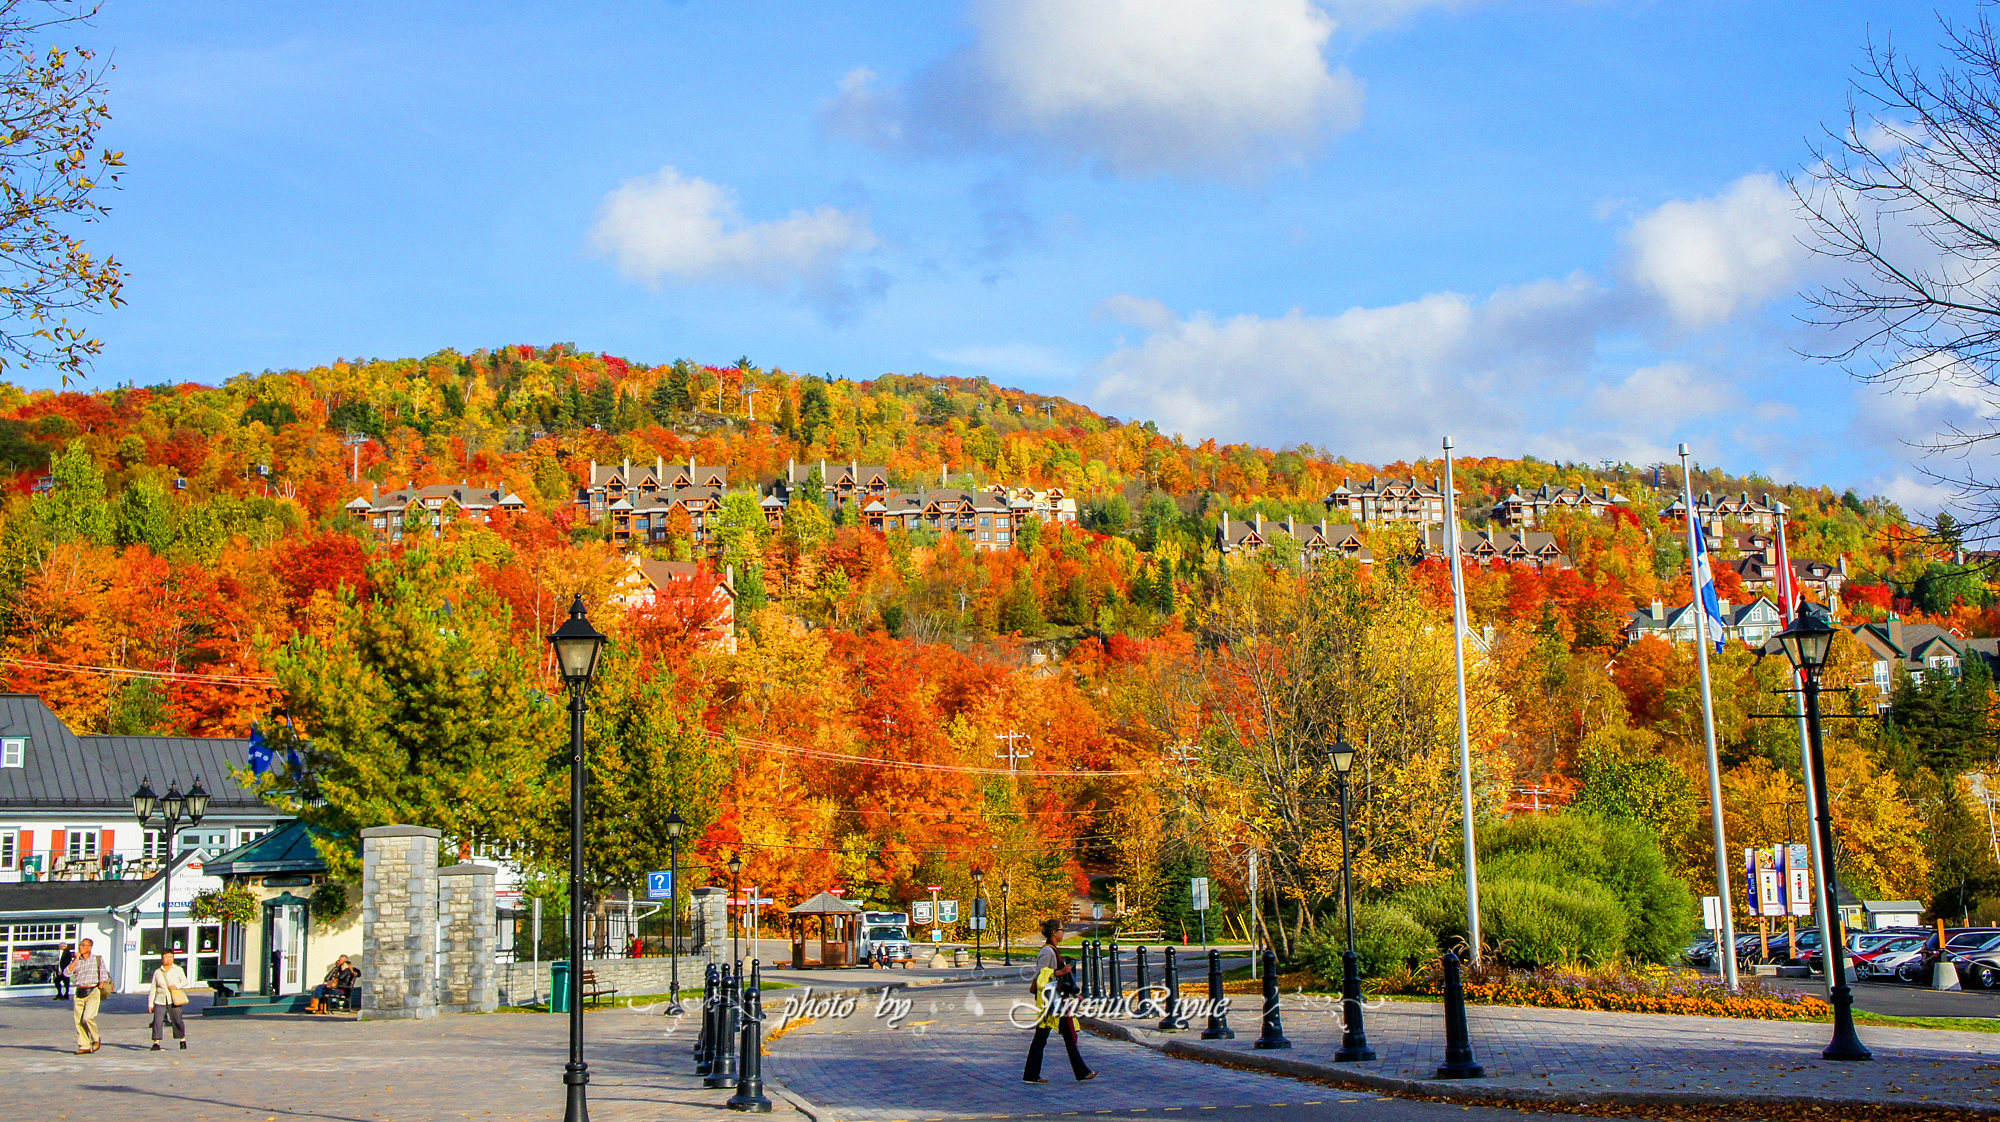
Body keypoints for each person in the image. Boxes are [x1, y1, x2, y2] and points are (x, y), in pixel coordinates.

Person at [1023, 918, 1095, 1084]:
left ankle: (1032, 1074)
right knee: (1046, 1036)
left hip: (1057, 1000)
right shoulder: (1047, 951)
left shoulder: (1053, 950)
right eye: (1062, 930)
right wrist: (1059, 972)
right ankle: (1080, 1072)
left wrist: (1072, 993)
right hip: (1051, 1003)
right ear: (1054, 932)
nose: (1064, 932)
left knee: (1056, 1036)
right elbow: (1040, 976)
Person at [64, 937, 110, 1054]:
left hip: (92, 990)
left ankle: (95, 1039)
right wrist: (75, 960)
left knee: (88, 1017)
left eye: (84, 945)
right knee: (78, 1020)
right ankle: (84, 1045)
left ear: (90, 947)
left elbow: (103, 974)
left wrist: (101, 986)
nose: (81, 947)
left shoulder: (96, 959)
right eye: (80, 945)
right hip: (79, 991)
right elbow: (67, 973)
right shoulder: (76, 960)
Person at [148, 950, 190, 1050]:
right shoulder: (158, 972)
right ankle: (156, 1042)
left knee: (177, 1020)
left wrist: (176, 986)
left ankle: (182, 1040)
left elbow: (185, 981)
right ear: (162, 959)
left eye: (170, 957)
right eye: (166, 957)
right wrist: (150, 1003)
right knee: (157, 1021)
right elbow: (153, 988)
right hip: (160, 999)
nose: (168, 959)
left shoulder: (178, 969)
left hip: (173, 999)